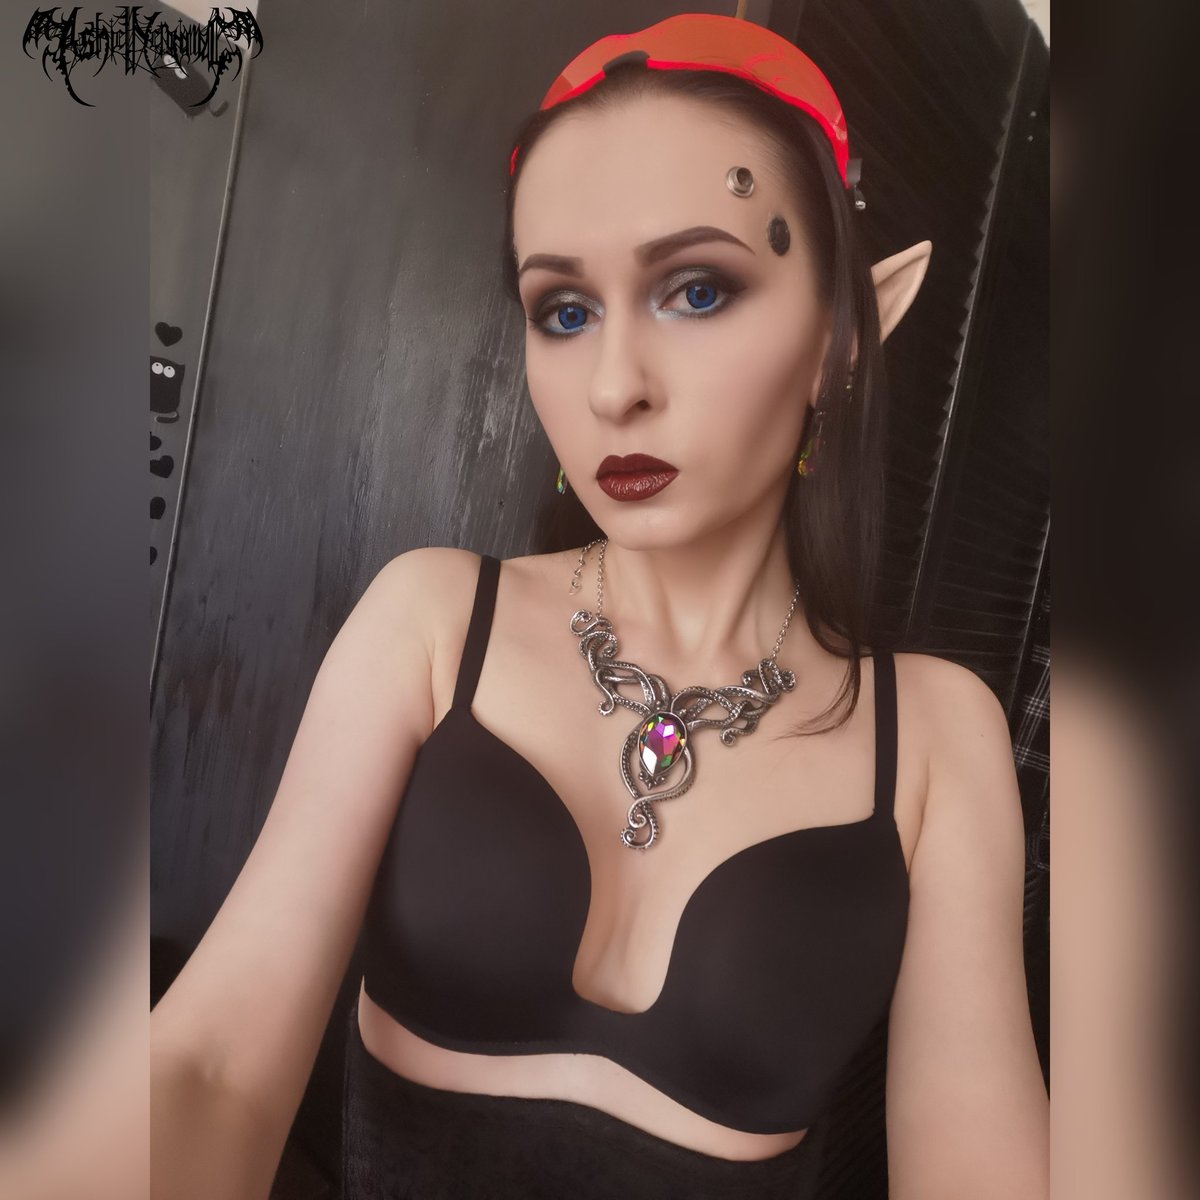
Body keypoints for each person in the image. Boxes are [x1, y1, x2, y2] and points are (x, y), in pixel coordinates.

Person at [150, 14, 1049, 1200]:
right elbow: (210, 1067)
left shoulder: (935, 739)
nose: (614, 386)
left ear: (845, 331)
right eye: (564, 310)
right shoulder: (432, 624)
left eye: (698, 288)